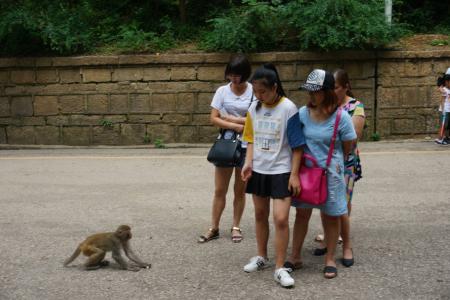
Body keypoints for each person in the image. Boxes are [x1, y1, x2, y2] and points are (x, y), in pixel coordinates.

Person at [285, 69, 356, 279]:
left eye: (315, 91)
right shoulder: (302, 114)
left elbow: (347, 146)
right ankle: (295, 256)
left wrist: (333, 162)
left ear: (326, 92)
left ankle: (330, 259)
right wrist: (295, 173)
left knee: (331, 216)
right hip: (307, 173)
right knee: (302, 214)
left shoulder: (341, 117)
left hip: (331, 175)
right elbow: (296, 144)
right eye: (309, 91)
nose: (311, 95)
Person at [241, 63, 304, 288]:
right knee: (259, 214)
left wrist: (294, 174)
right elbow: (250, 139)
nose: (259, 96)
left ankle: (280, 267)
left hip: (281, 171)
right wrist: (248, 163)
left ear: (275, 87)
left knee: (280, 218)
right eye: (256, 92)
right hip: (259, 170)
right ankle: (261, 257)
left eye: (263, 91)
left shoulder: (289, 108)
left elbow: (297, 146)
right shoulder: (254, 108)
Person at [312, 69, 365, 268]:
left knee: (342, 206)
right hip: (325, 163)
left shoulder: (355, 107)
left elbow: (353, 137)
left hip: (346, 163)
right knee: (326, 202)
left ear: (346, 87)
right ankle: (329, 239)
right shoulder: (325, 106)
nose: (332, 92)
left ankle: (347, 245)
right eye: (330, 88)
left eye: (336, 88)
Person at [198, 54, 253, 244]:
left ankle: (236, 226)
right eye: (231, 74)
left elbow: (255, 120)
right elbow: (213, 118)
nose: (233, 79)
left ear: (245, 74)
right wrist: (237, 125)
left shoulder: (254, 91)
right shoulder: (222, 91)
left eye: (237, 75)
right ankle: (214, 227)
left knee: (240, 190)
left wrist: (229, 118)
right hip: (225, 143)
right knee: (220, 190)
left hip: (247, 146)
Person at [435, 67, 450, 145]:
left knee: (447, 126)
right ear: (446, 82)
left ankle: (446, 138)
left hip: (449, 110)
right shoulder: (444, 90)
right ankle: (440, 138)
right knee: (443, 125)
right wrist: (443, 110)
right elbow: (442, 100)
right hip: (445, 110)